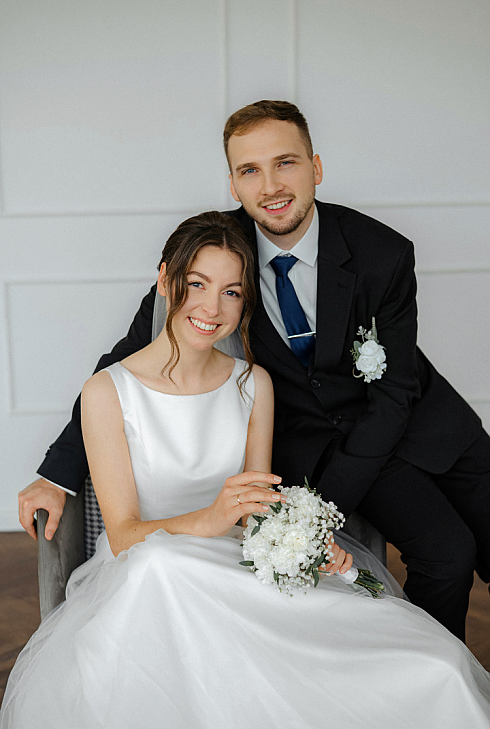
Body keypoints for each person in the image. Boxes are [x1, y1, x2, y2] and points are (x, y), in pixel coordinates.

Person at [19, 101, 490, 642]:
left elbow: (396, 389)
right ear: (233, 184)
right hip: (322, 446)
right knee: (448, 555)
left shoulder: (382, 252)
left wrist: (318, 511)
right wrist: (56, 473)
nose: (270, 186)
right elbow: (124, 363)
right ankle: (427, 678)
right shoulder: (217, 252)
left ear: (315, 167)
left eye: (285, 163)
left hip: (417, 417)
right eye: (250, 170)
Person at [3, 211, 490, 728]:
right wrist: (211, 517)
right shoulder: (107, 390)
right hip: (151, 573)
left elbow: (256, 512)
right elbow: (124, 536)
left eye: (232, 292)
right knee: (159, 565)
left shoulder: (253, 382)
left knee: (435, 666)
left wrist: (300, 543)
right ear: (165, 279)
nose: (211, 308)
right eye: (196, 284)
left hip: (238, 564)